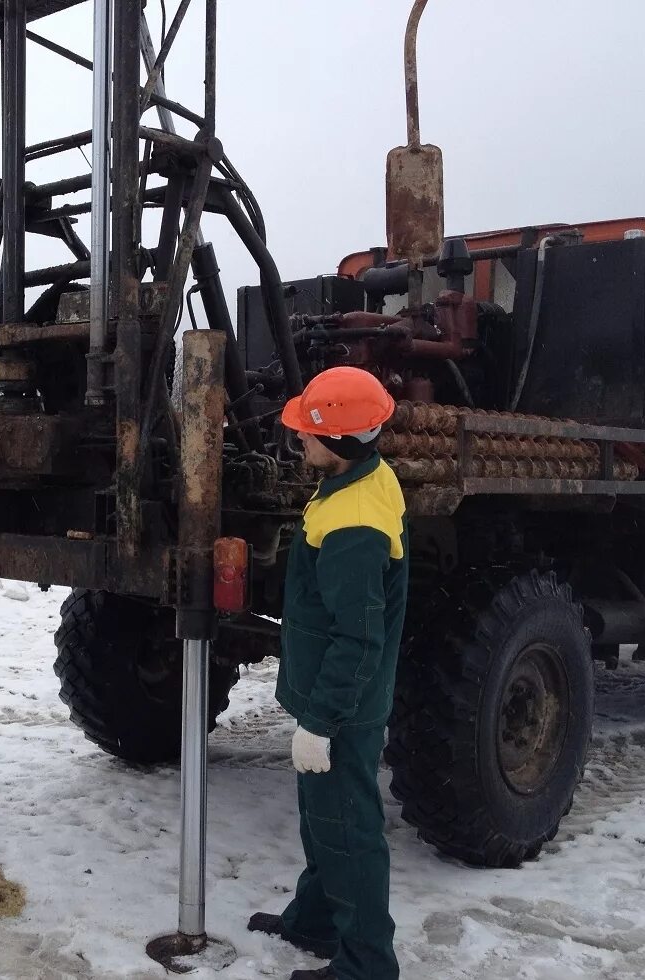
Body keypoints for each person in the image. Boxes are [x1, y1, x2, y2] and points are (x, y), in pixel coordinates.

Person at [248, 366, 408, 980]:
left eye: (306, 434)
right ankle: (313, 922)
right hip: (331, 699)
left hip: (342, 707)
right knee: (324, 819)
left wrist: (321, 721)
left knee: (349, 830)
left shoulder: (354, 526)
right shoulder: (356, 480)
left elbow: (358, 636)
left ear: (336, 443)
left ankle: (367, 964)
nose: (299, 442)